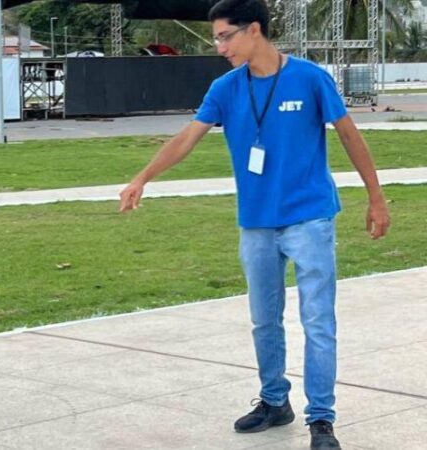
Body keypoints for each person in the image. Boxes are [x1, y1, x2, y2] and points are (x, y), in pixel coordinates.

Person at [119, 1, 390, 449]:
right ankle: (273, 401)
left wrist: (376, 198)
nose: (219, 46)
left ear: (254, 31)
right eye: (217, 38)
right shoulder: (225, 88)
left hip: (309, 217)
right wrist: (142, 178)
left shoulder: (309, 77)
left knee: (318, 322)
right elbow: (189, 136)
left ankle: (321, 419)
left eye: (225, 36)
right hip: (257, 223)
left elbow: (348, 135)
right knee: (264, 321)